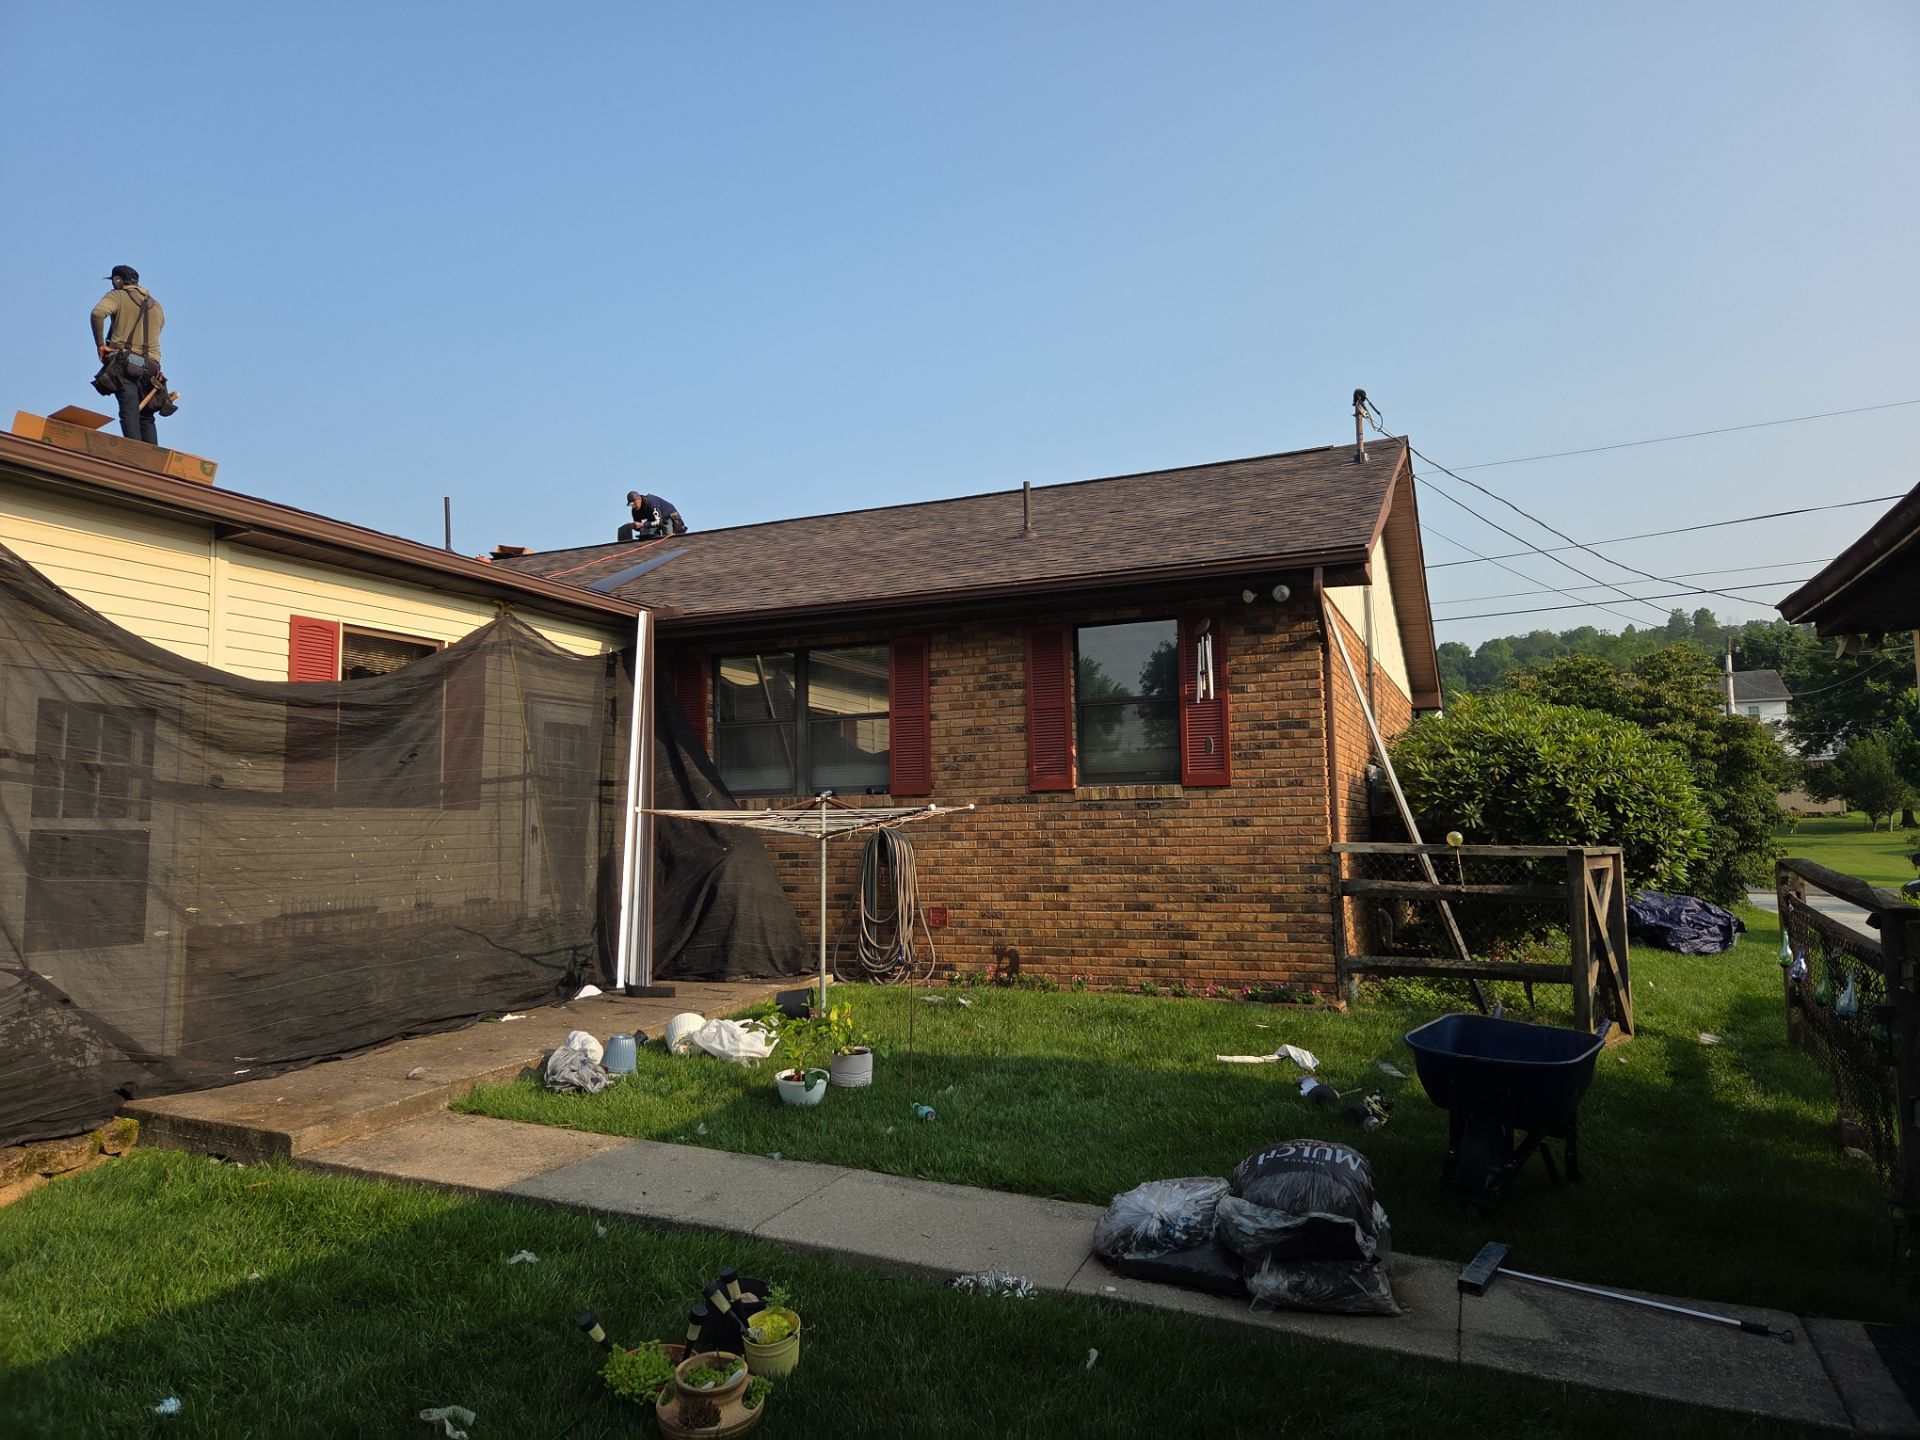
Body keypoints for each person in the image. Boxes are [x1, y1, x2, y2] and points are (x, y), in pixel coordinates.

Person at [90, 266, 167, 443]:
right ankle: (152, 463)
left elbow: (97, 313)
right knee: (146, 417)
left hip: (127, 362)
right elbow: (157, 331)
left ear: (118, 280)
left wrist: (100, 344)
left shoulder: (117, 295)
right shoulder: (157, 306)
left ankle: (134, 455)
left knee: (130, 409)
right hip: (152, 368)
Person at [619, 491, 688, 542]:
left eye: (634, 502)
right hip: (654, 519)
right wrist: (632, 526)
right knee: (644, 535)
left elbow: (659, 522)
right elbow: (639, 528)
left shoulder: (651, 503)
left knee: (668, 539)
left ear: (639, 499)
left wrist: (643, 525)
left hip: (668, 516)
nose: (633, 505)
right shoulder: (635, 511)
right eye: (631, 504)